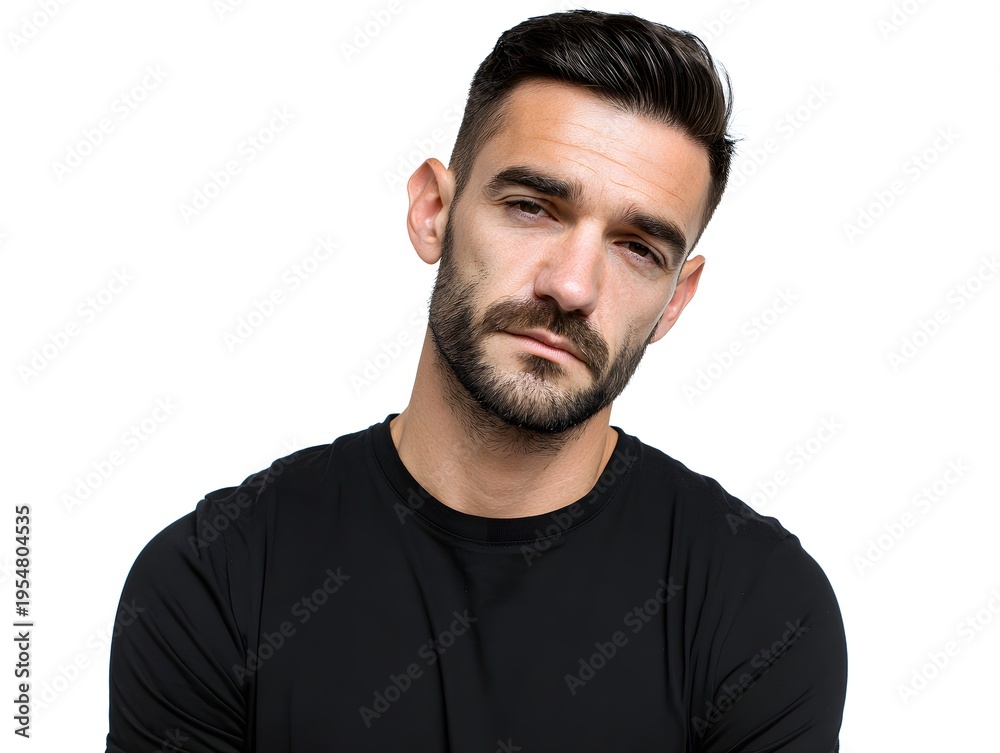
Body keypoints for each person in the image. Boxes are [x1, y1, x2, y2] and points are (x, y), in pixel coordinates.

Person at [105, 9, 847, 752]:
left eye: (637, 248)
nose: (571, 285)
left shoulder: (759, 608)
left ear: (675, 301)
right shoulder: (218, 579)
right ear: (434, 211)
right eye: (532, 207)